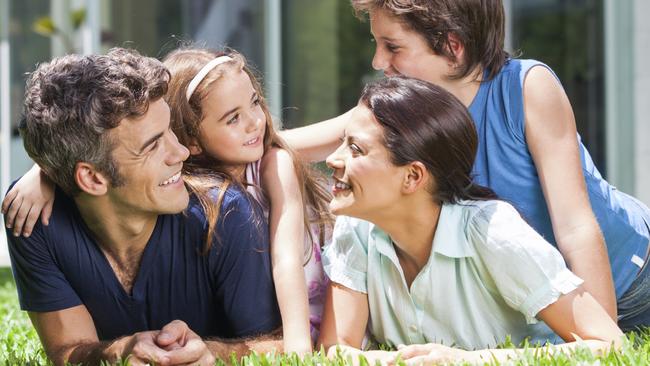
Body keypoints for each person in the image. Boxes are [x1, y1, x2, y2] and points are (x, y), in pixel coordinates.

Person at [280, 0, 650, 331]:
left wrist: (601, 334)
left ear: (452, 48)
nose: (378, 61)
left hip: (631, 277)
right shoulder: (403, 114)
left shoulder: (526, 88)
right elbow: (289, 143)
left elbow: (576, 227)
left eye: (392, 46)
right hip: (552, 297)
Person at [3, 48, 282, 366]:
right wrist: (118, 351)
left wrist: (216, 352)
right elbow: (66, 351)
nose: (181, 153)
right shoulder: (33, 218)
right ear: (92, 178)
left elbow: (282, 344)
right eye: (153, 145)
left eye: (171, 131)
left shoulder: (225, 213)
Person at [317, 76, 623, 364]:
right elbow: (336, 349)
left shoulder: (494, 232)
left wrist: (467, 361)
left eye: (355, 149)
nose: (333, 158)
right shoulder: (356, 226)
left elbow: (610, 344)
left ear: (412, 176)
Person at [162, 47, 333, 353]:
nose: (254, 121)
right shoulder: (188, 188)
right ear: (192, 141)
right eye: (233, 119)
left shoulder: (273, 164)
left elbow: (286, 260)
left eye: (254, 102)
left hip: (304, 315)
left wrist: (299, 349)